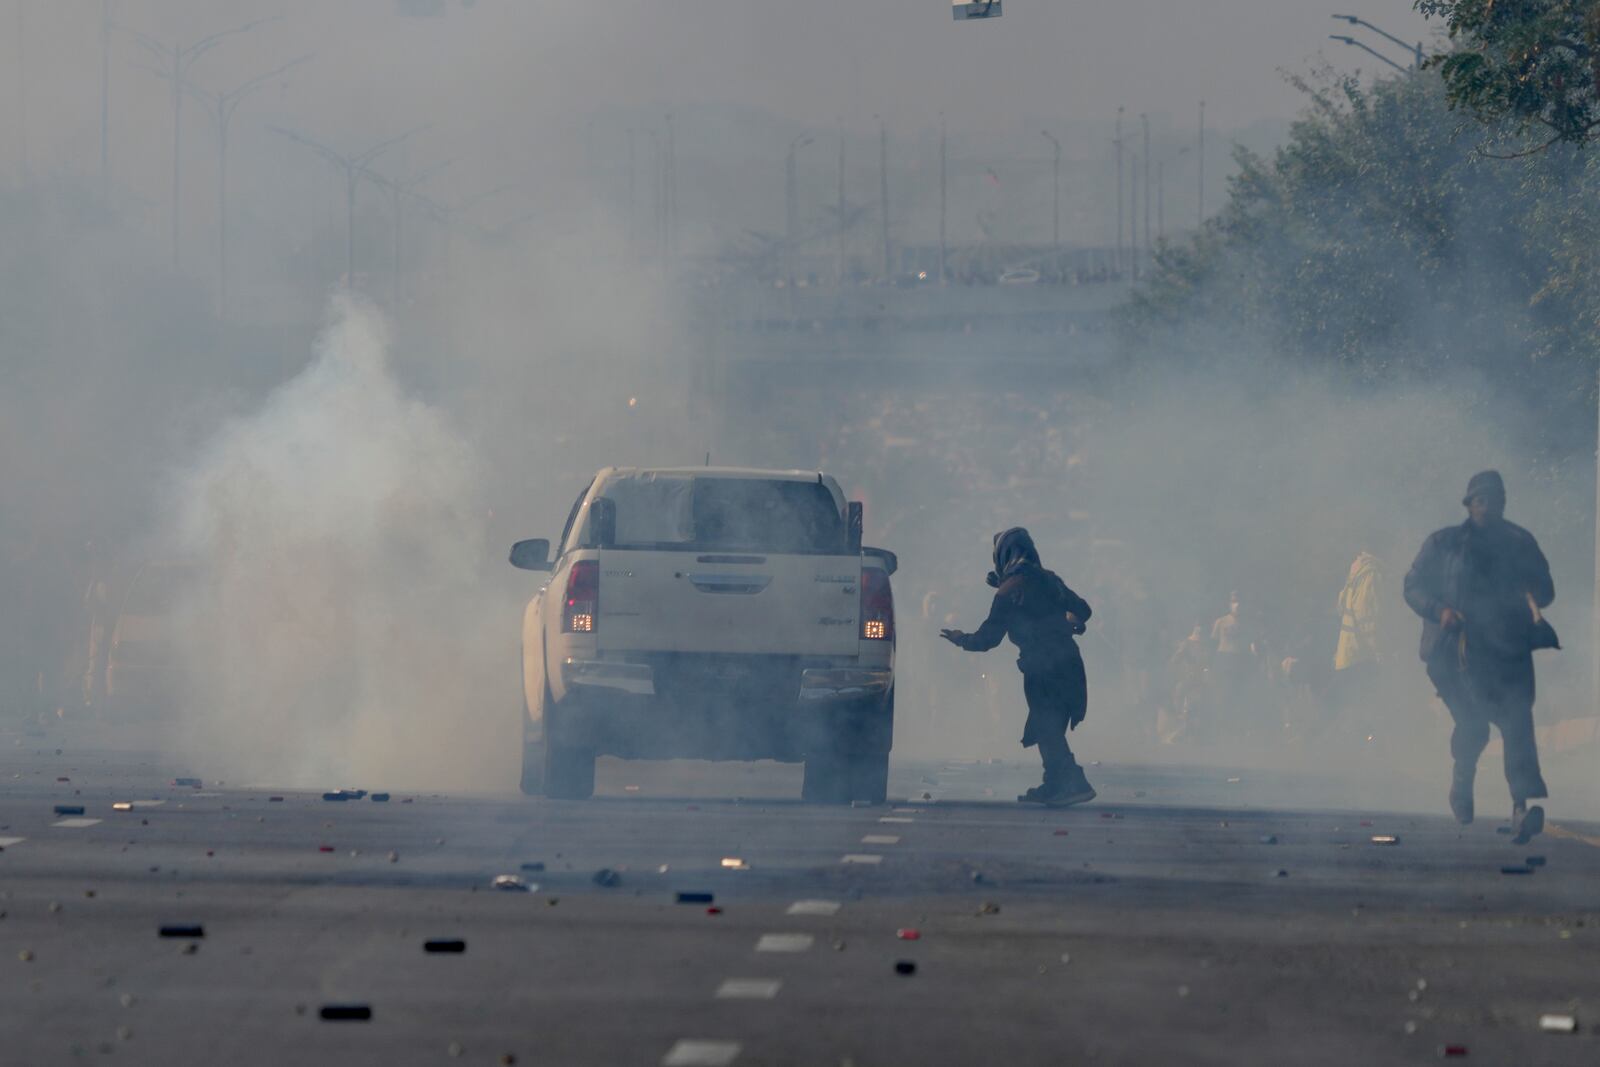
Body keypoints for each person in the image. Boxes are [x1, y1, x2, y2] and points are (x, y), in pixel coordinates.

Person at [1403, 471, 1555, 841]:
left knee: (1517, 724)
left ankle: (1521, 808)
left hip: (1507, 651)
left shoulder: (1521, 543)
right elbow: (1412, 586)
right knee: (1474, 726)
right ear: (1469, 504)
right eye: (1481, 499)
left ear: (1504, 503)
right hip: (1455, 653)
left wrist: (1532, 591)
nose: (1489, 506)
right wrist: (1440, 611)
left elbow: (1546, 589)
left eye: (1496, 499)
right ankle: (1462, 781)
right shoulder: (1445, 543)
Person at [940, 528, 1096, 806]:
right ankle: (1055, 784)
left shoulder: (1009, 591)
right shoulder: (1049, 580)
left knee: (1047, 726)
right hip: (1069, 663)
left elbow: (988, 638)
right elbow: (1083, 609)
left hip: (1043, 667)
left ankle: (1073, 782)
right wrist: (1071, 622)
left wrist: (960, 638)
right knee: (1048, 726)